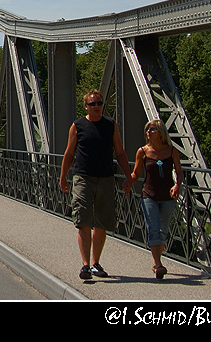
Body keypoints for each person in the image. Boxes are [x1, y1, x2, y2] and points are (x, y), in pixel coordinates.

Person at [59, 89, 133, 280]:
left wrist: (129, 176)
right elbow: (69, 153)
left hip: (106, 178)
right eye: (93, 104)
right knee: (83, 221)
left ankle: (95, 263)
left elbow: (120, 152)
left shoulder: (110, 125)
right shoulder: (78, 126)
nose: (97, 107)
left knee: (102, 223)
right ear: (86, 106)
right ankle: (85, 265)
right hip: (83, 177)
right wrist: (63, 177)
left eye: (100, 103)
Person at [128, 119, 183, 279]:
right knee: (153, 228)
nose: (148, 132)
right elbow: (136, 173)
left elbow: (179, 172)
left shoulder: (172, 151)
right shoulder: (142, 151)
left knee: (163, 230)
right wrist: (128, 181)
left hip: (168, 196)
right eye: (147, 130)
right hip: (149, 195)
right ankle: (158, 264)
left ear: (160, 132)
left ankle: (156, 262)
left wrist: (177, 185)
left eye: (152, 130)